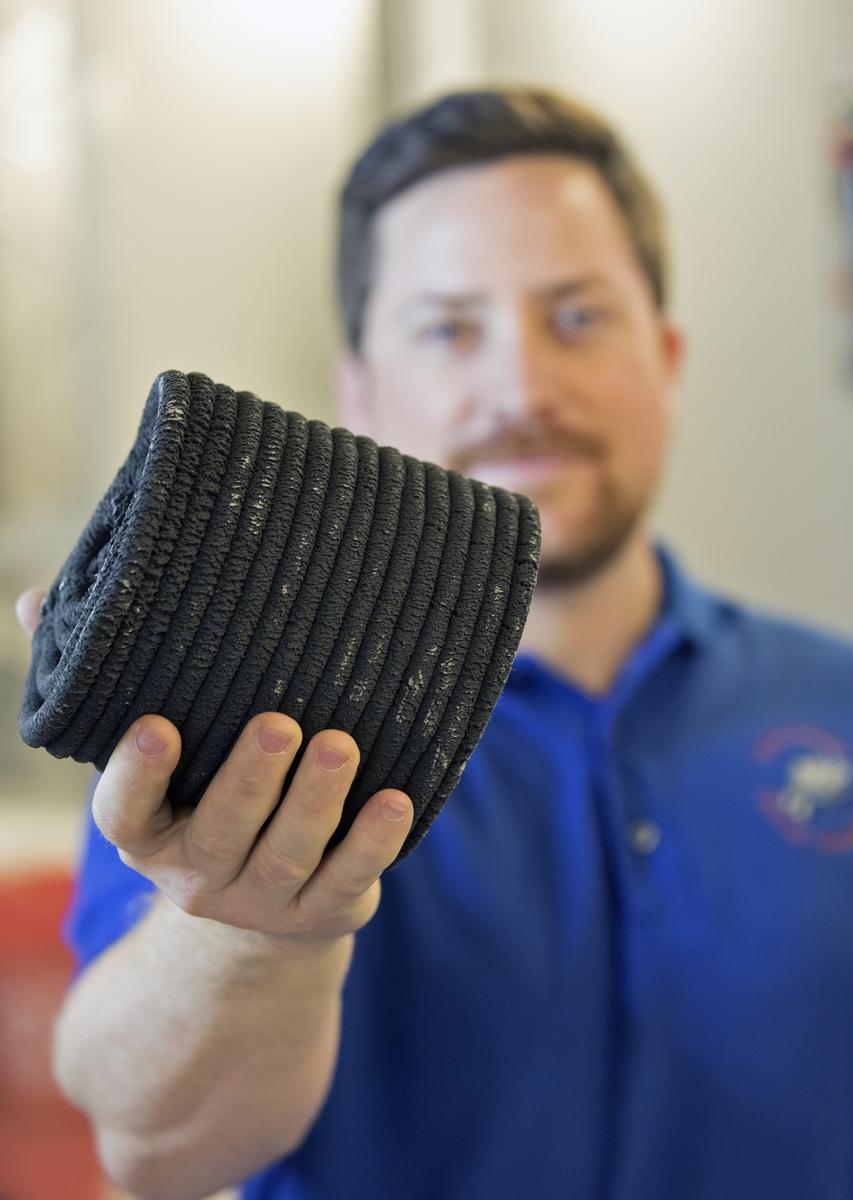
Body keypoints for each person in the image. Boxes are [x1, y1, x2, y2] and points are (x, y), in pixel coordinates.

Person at [15, 87, 853, 1200]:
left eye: (577, 318)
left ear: (665, 356)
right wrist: (248, 934)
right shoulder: (239, 730)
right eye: (448, 329)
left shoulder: (833, 700)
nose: (521, 388)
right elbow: (153, 1149)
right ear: (358, 391)